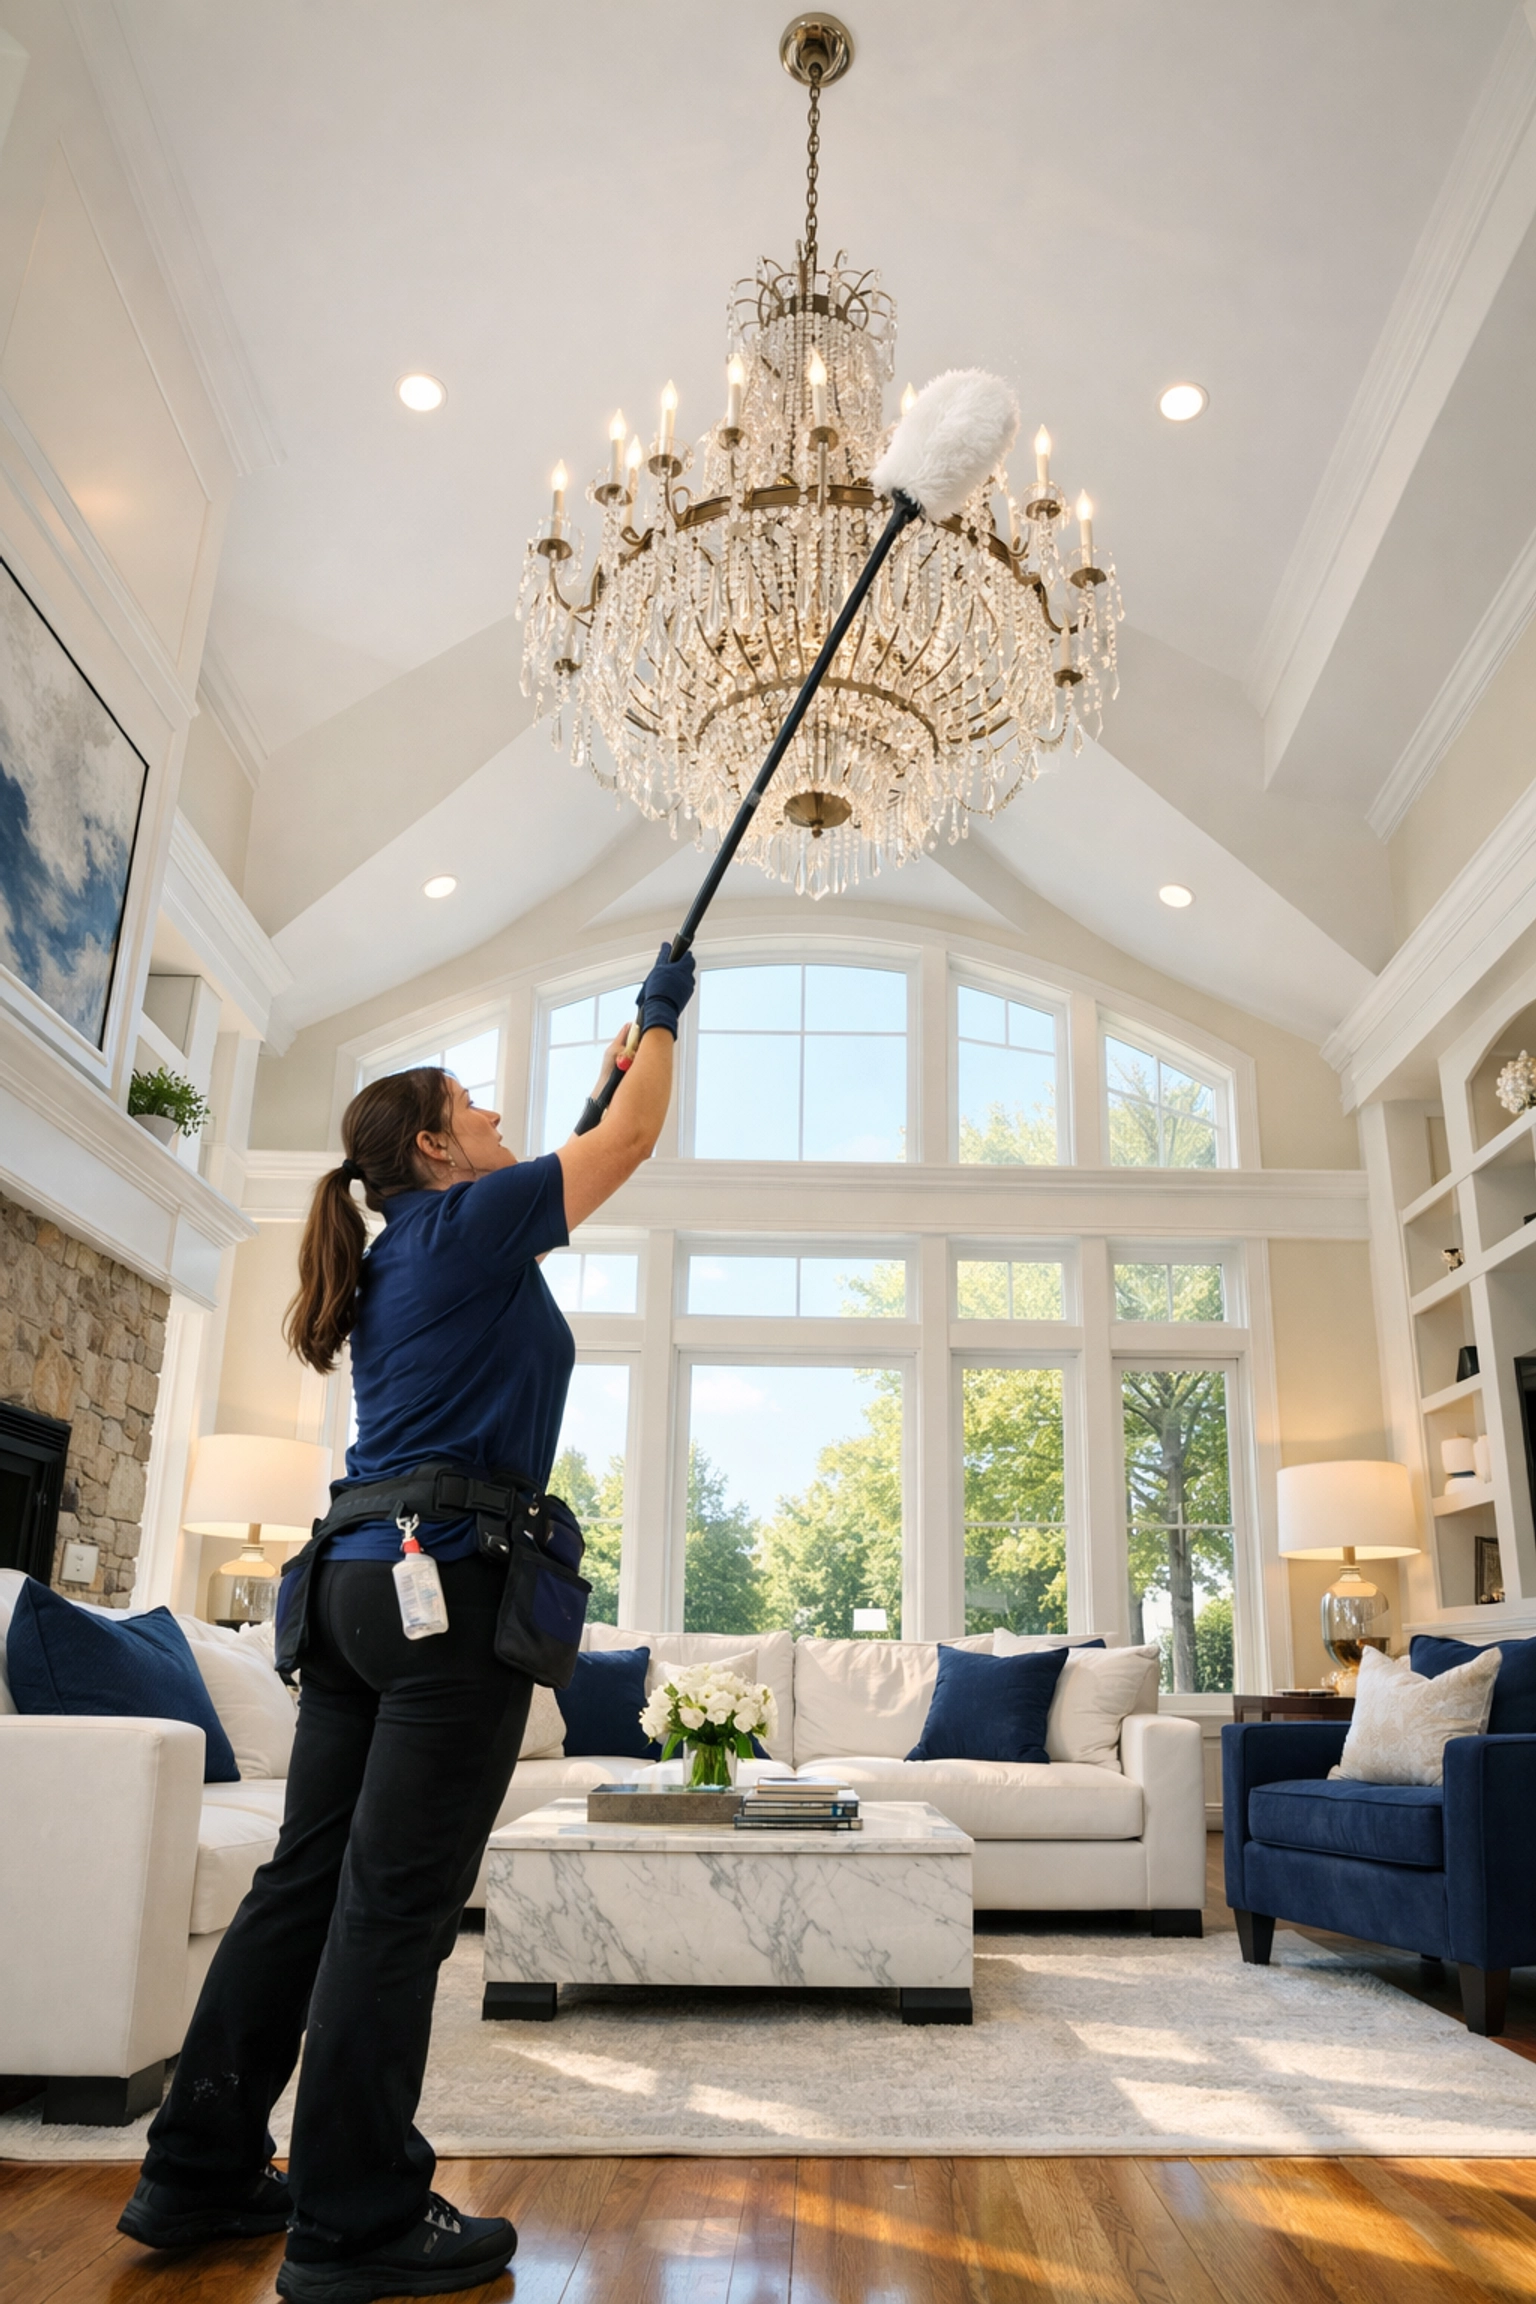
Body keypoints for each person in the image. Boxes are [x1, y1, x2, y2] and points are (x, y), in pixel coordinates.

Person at [118, 944, 696, 2303]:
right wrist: (665, 1014)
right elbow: (632, 1138)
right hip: (449, 1595)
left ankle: (197, 2169)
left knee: (305, 1883)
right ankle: (354, 2218)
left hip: (355, 1587)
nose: (502, 1121)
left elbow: (577, 1137)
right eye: (478, 1110)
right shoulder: (471, 1227)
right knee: (393, 1909)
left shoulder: (404, 1245)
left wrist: (609, 1072)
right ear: (438, 1148)